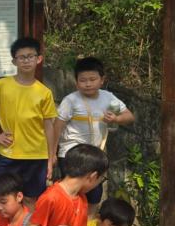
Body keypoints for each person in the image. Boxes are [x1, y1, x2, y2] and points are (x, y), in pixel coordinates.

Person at [0, 37, 58, 207]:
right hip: (10, 153)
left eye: (30, 56)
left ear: (39, 59)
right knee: (2, 197)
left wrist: (51, 156)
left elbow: (49, 125)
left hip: (37, 155)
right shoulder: (2, 85)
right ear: (14, 61)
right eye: (21, 57)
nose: (26, 61)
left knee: (31, 199)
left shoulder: (44, 92)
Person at [53, 56, 135, 216]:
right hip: (72, 154)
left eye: (92, 79)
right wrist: (52, 154)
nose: (88, 84)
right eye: (83, 80)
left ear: (102, 80)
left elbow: (129, 116)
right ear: (76, 82)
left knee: (94, 196)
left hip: (95, 155)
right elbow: (58, 126)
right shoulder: (70, 101)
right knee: (71, 194)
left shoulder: (108, 97)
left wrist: (116, 119)